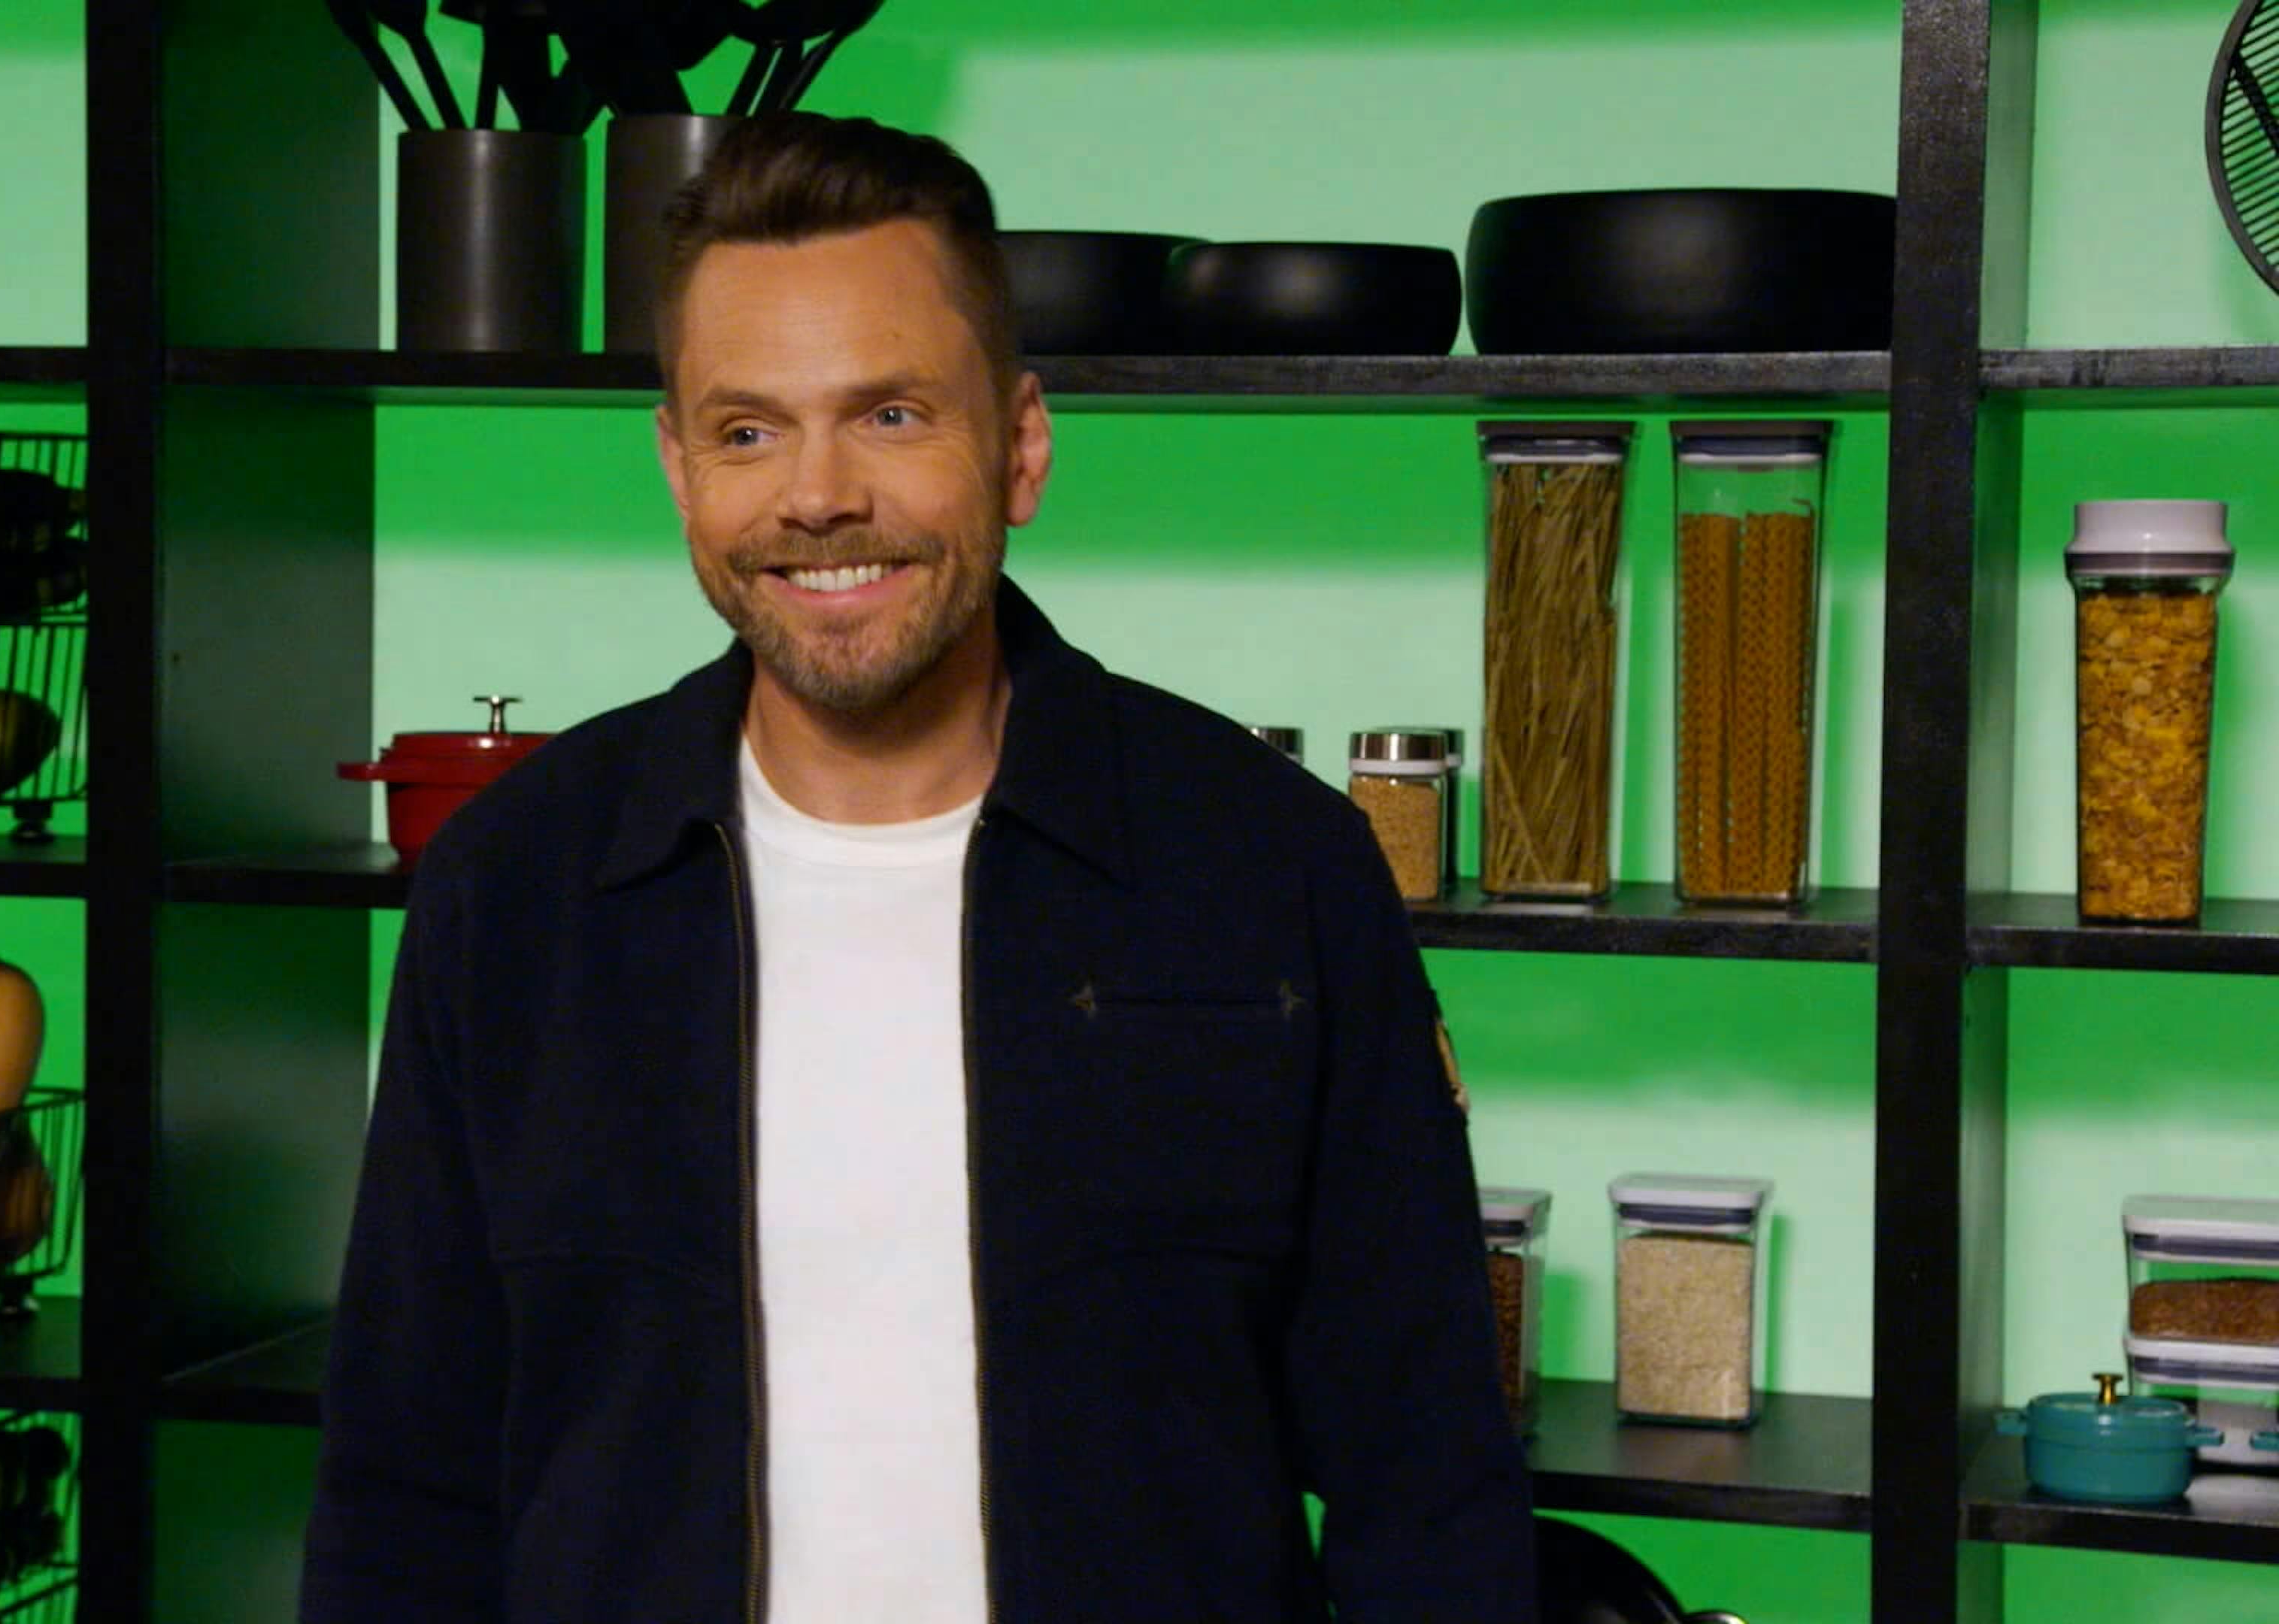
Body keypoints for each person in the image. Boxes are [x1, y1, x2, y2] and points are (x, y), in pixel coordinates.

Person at [300, 112, 1535, 1622]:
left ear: (1020, 446)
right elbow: (403, 1491)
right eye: (749, 430)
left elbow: (1430, 1487)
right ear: (678, 465)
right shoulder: (517, 888)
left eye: (890, 416)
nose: (817, 497)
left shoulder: (1271, 864)